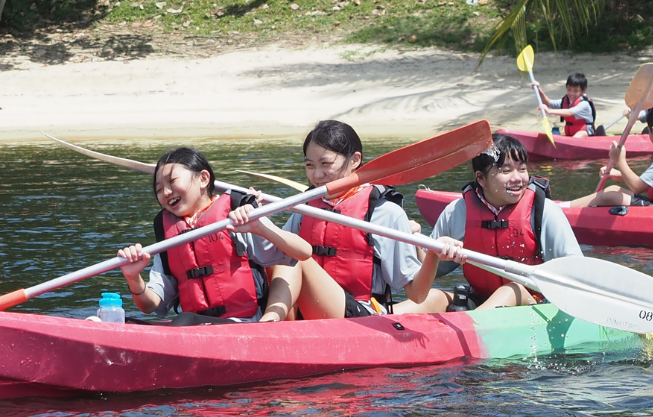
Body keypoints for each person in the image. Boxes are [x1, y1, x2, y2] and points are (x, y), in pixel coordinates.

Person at [253, 119, 429, 320]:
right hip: (306, 311)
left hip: (361, 317)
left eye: (325, 164)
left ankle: (269, 322)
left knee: (296, 255)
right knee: (279, 255)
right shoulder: (305, 209)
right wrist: (257, 217)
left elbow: (417, 295)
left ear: (354, 160)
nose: (317, 175)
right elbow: (271, 256)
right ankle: (269, 323)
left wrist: (431, 254)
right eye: (310, 166)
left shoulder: (385, 213)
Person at [116, 147, 305, 322]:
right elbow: (150, 306)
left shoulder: (237, 213)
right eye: (158, 189)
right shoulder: (168, 233)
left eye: (173, 182)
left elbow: (303, 253)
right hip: (194, 326)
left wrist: (259, 228)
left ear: (204, 179)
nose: (166, 192)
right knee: (173, 321)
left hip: (242, 324)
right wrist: (133, 278)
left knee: (184, 321)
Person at [404, 132, 583, 311]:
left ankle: (470, 330)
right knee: (434, 297)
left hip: (533, 303)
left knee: (512, 289)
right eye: (506, 171)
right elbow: (432, 270)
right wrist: (414, 241)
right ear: (481, 178)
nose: (517, 178)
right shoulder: (458, 212)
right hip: (480, 301)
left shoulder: (544, 210)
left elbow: (576, 272)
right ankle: (382, 321)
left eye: (522, 169)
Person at [565, 102, 653, 208]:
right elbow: (650, 183)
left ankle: (564, 209)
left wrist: (619, 160)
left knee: (610, 194)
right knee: (613, 189)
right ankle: (569, 206)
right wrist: (617, 173)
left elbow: (636, 187)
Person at [536, 72, 597, 136]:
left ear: (583, 91)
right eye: (569, 89)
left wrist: (548, 111)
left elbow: (569, 112)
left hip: (586, 133)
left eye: (576, 91)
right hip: (570, 134)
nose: (572, 93)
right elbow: (548, 103)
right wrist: (539, 89)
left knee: (579, 135)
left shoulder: (584, 104)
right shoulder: (565, 101)